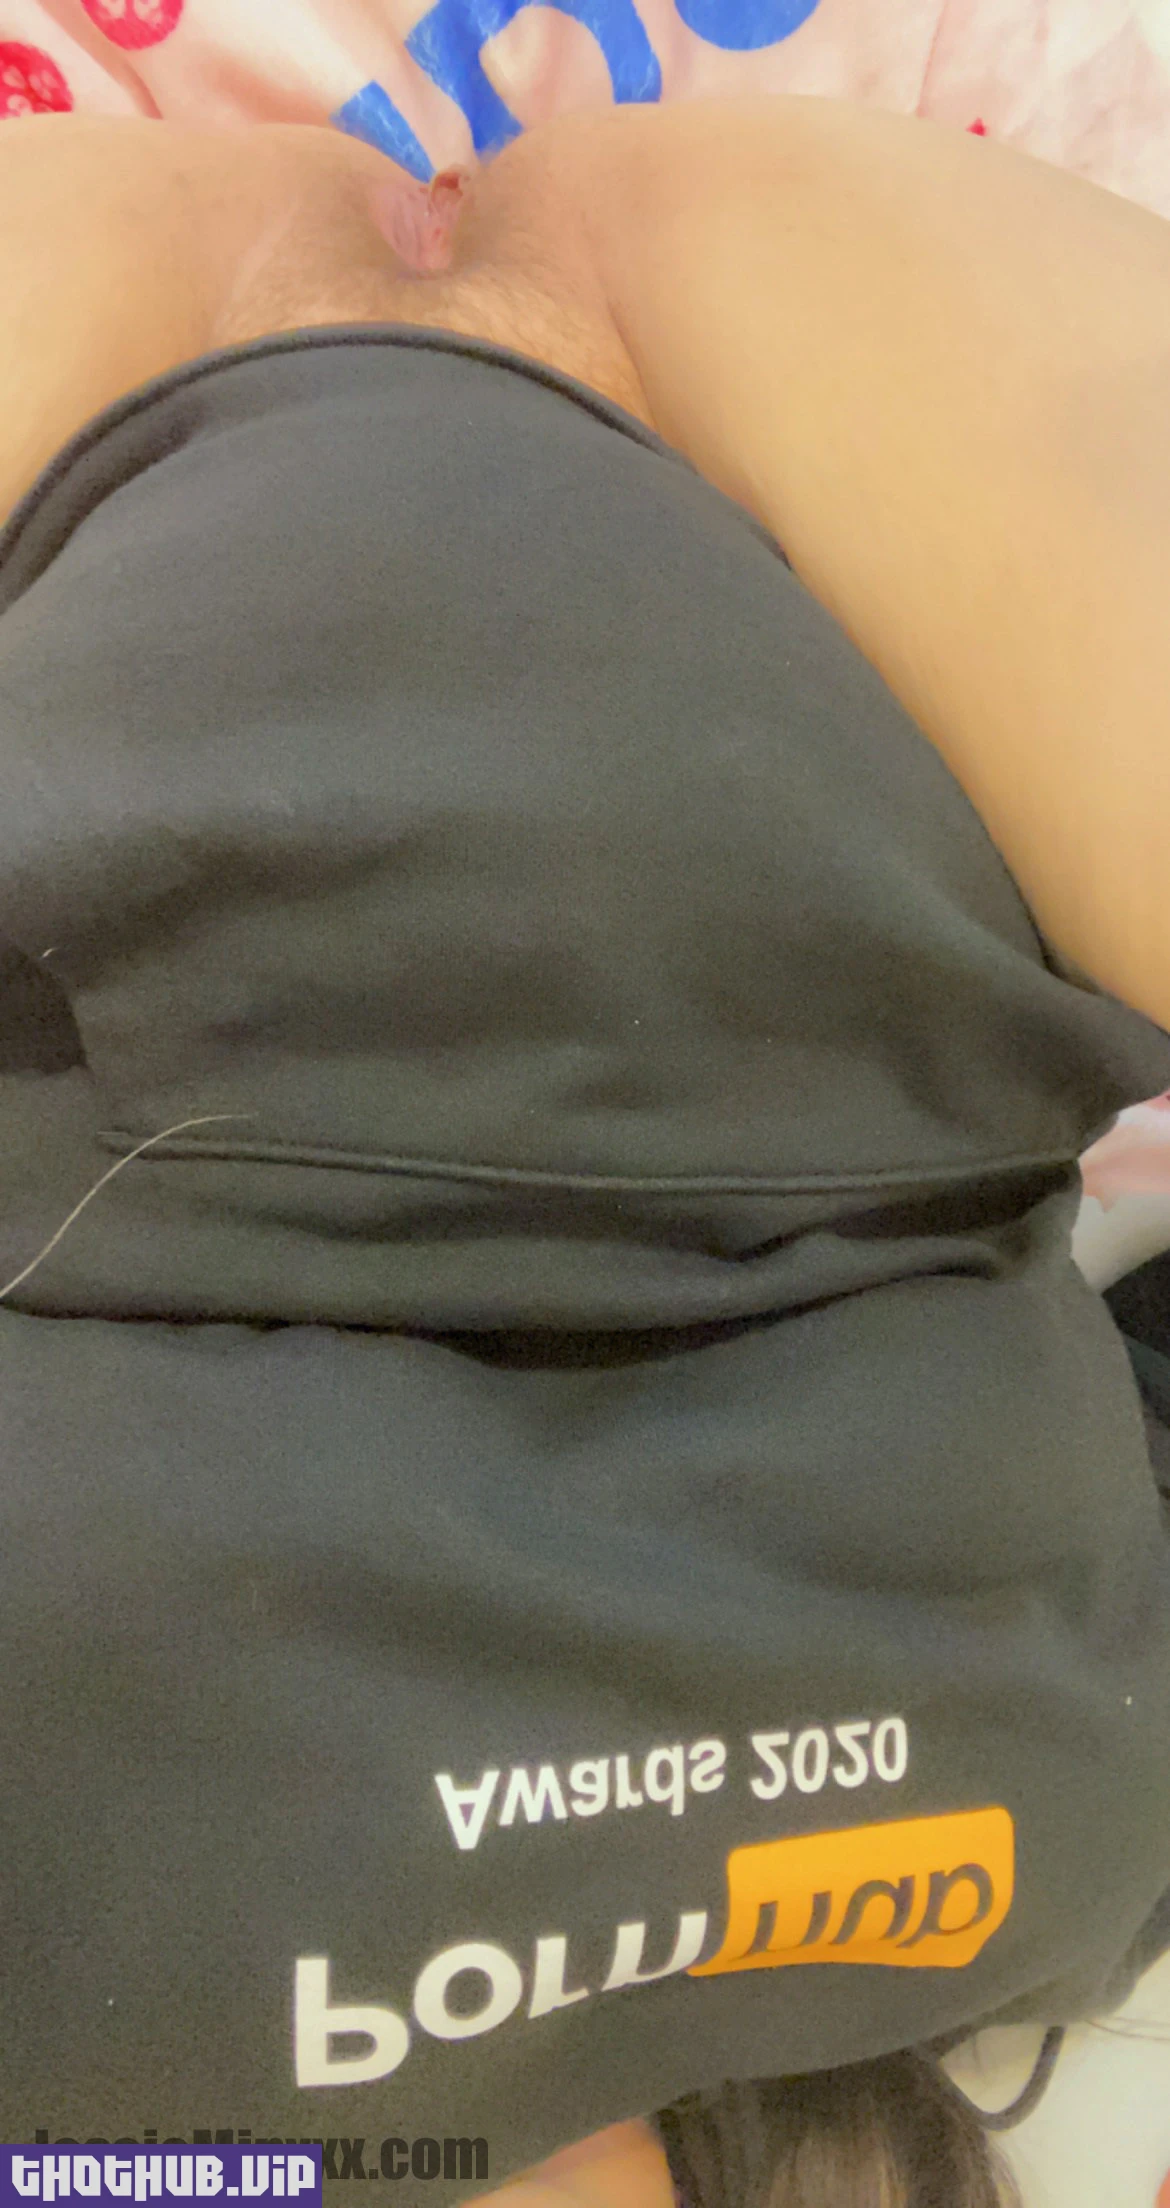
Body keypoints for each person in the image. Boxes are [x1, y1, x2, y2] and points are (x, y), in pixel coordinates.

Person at [0, 94, 1168, 2208]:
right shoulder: (1071, 1879)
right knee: (625, 221)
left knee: (274, 230)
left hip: (110, 729)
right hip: (830, 693)